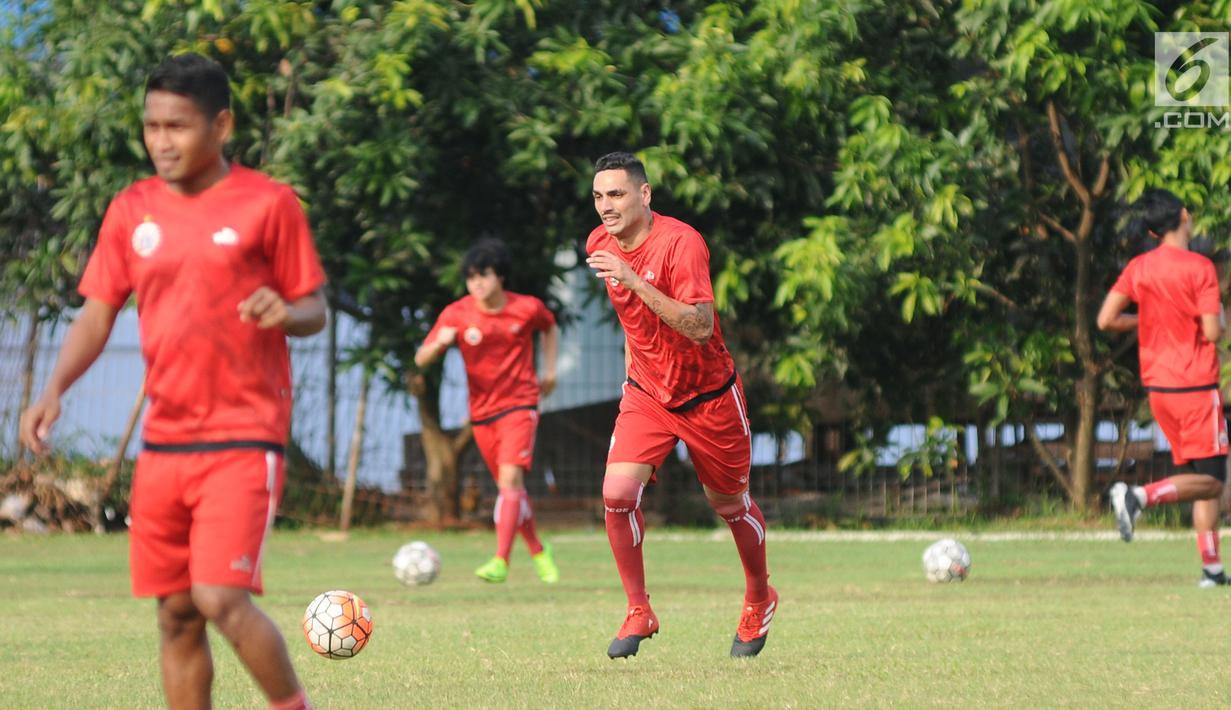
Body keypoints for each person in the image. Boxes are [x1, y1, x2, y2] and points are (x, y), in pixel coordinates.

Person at [19, 54, 325, 709]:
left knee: (219, 596)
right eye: (152, 125)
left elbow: (313, 307)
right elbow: (96, 314)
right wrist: (54, 390)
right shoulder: (131, 210)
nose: (161, 141)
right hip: (164, 443)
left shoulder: (268, 204)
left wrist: (284, 310)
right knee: (177, 614)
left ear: (221, 126)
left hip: (244, 436)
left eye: (177, 126)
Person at [585, 152, 776, 659]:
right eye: (600, 196)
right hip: (647, 394)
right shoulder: (599, 243)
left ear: (644, 195)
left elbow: (700, 326)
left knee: (730, 506)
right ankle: (638, 609)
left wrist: (634, 278)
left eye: (618, 194)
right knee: (617, 493)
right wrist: (633, 379)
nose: (607, 206)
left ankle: (760, 596)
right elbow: (631, 322)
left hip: (709, 398)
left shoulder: (681, 243)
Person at [1100, 188, 1229, 588]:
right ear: (1185, 216)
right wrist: (1220, 321)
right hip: (1195, 387)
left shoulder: (1140, 267)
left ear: (1154, 232)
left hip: (1159, 389)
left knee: (1196, 481)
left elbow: (1106, 319)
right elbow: (1212, 331)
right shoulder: (1199, 268)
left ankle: (1212, 570)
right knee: (1214, 482)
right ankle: (1138, 497)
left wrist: (1150, 322)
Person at [413, 238, 561, 585]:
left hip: (520, 405)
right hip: (481, 413)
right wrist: (440, 343)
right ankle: (540, 552)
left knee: (510, 482)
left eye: (484, 275)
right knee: (513, 492)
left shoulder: (526, 308)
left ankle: (500, 560)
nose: (477, 284)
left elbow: (550, 326)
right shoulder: (457, 313)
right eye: (471, 277)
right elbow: (421, 358)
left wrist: (550, 371)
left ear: (501, 277)